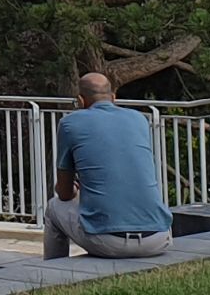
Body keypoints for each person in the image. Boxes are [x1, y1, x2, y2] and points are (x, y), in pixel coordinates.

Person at [46, 72, 171, 260]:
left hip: (109, 242)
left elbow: (64, 194)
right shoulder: (139, 119)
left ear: (81, 100)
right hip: (159, 237)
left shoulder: (69, 123)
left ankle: (51, 276)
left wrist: (72, 190)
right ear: (113, 97)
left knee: (54, 207)